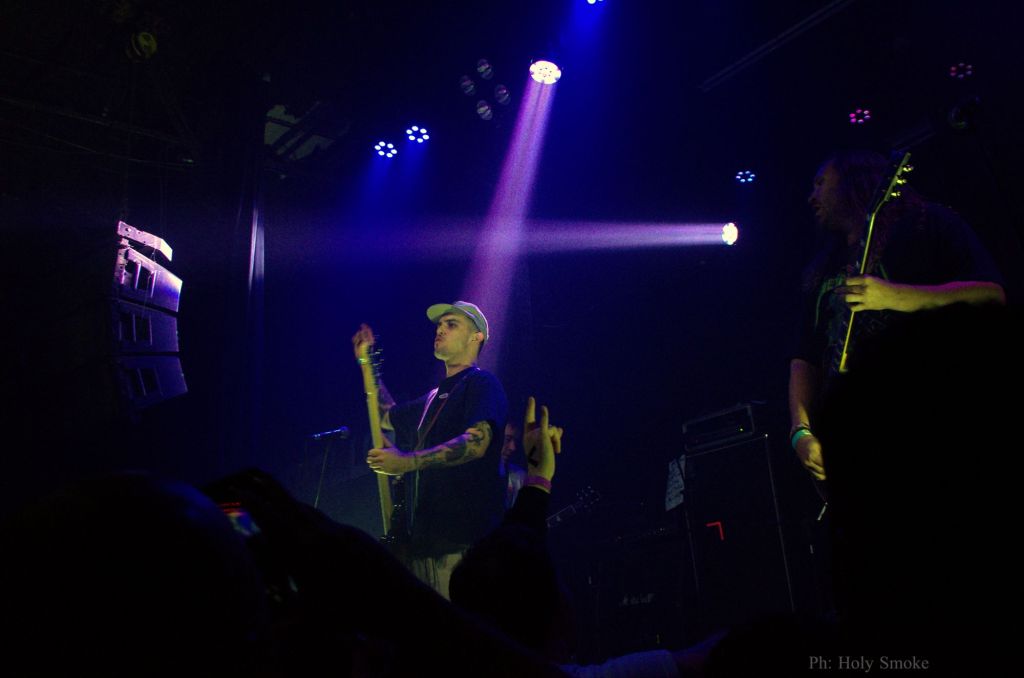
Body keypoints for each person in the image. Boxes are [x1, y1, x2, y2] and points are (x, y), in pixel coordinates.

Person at [787, 150, 1011, 668]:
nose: (811, 195)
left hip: (932, 436)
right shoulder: (821, 269)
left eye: (820, 182)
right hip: (855, 460)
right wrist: (800, 430)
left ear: (856, 181)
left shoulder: (929, 226)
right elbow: (803, 357)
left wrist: (895, 297)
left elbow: (990, 295)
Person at [353, 300, 508, 599]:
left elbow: (476, 444)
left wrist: (407, 462)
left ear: (476, 337)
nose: (440, 329)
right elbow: (386, 416)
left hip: (462, 552)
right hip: (420, 550)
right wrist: (366, 363)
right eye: (439, 325)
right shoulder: (431, 399)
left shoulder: (481, 384)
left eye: (452, 324)